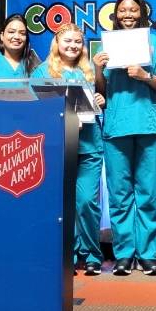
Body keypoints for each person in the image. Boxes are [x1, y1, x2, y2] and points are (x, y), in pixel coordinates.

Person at [92, 0, 156, 275]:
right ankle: (124, 253)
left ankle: (148, 254)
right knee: (120, 194)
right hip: (116, 127)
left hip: (149, 125)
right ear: (117, 14)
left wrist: (144, 76)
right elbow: (101, 92)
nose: (128, 15)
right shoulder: (106, 45)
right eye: (123, 10)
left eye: (133, 10)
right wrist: (98, 70)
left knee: (149, 194)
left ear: (142, 12)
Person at [32, 23, 105, 274]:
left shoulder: (88, 72)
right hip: (58, 146)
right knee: (62, 204)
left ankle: (93, 254)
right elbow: (34, 109)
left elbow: (100, 101)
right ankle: (69, 255)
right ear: (57, 43)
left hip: (88, 147)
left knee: (85, 202)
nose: (73, 46)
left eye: (77, 42)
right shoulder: (43, 71)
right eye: (68, 41)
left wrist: (99, 99)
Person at [0, 13, 39, 84]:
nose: (17, 37)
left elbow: (44, 93)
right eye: (11, 32)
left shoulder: (35, 64)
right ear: (2, 36)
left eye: (22, 33)